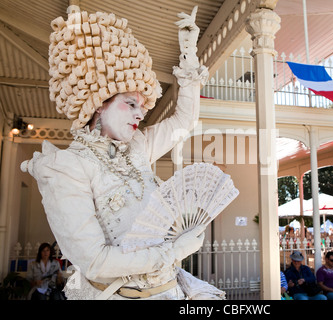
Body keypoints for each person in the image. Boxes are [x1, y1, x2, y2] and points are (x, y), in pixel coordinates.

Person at [21, 6, 224, 300]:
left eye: (142, 106)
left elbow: (183, 121)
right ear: (98, 102)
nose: (140, 114)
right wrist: (173, 251)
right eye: (130, 103)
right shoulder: (65, 167)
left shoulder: (138, 147)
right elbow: (95, 261)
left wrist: (189, 54)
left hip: (172, 292)